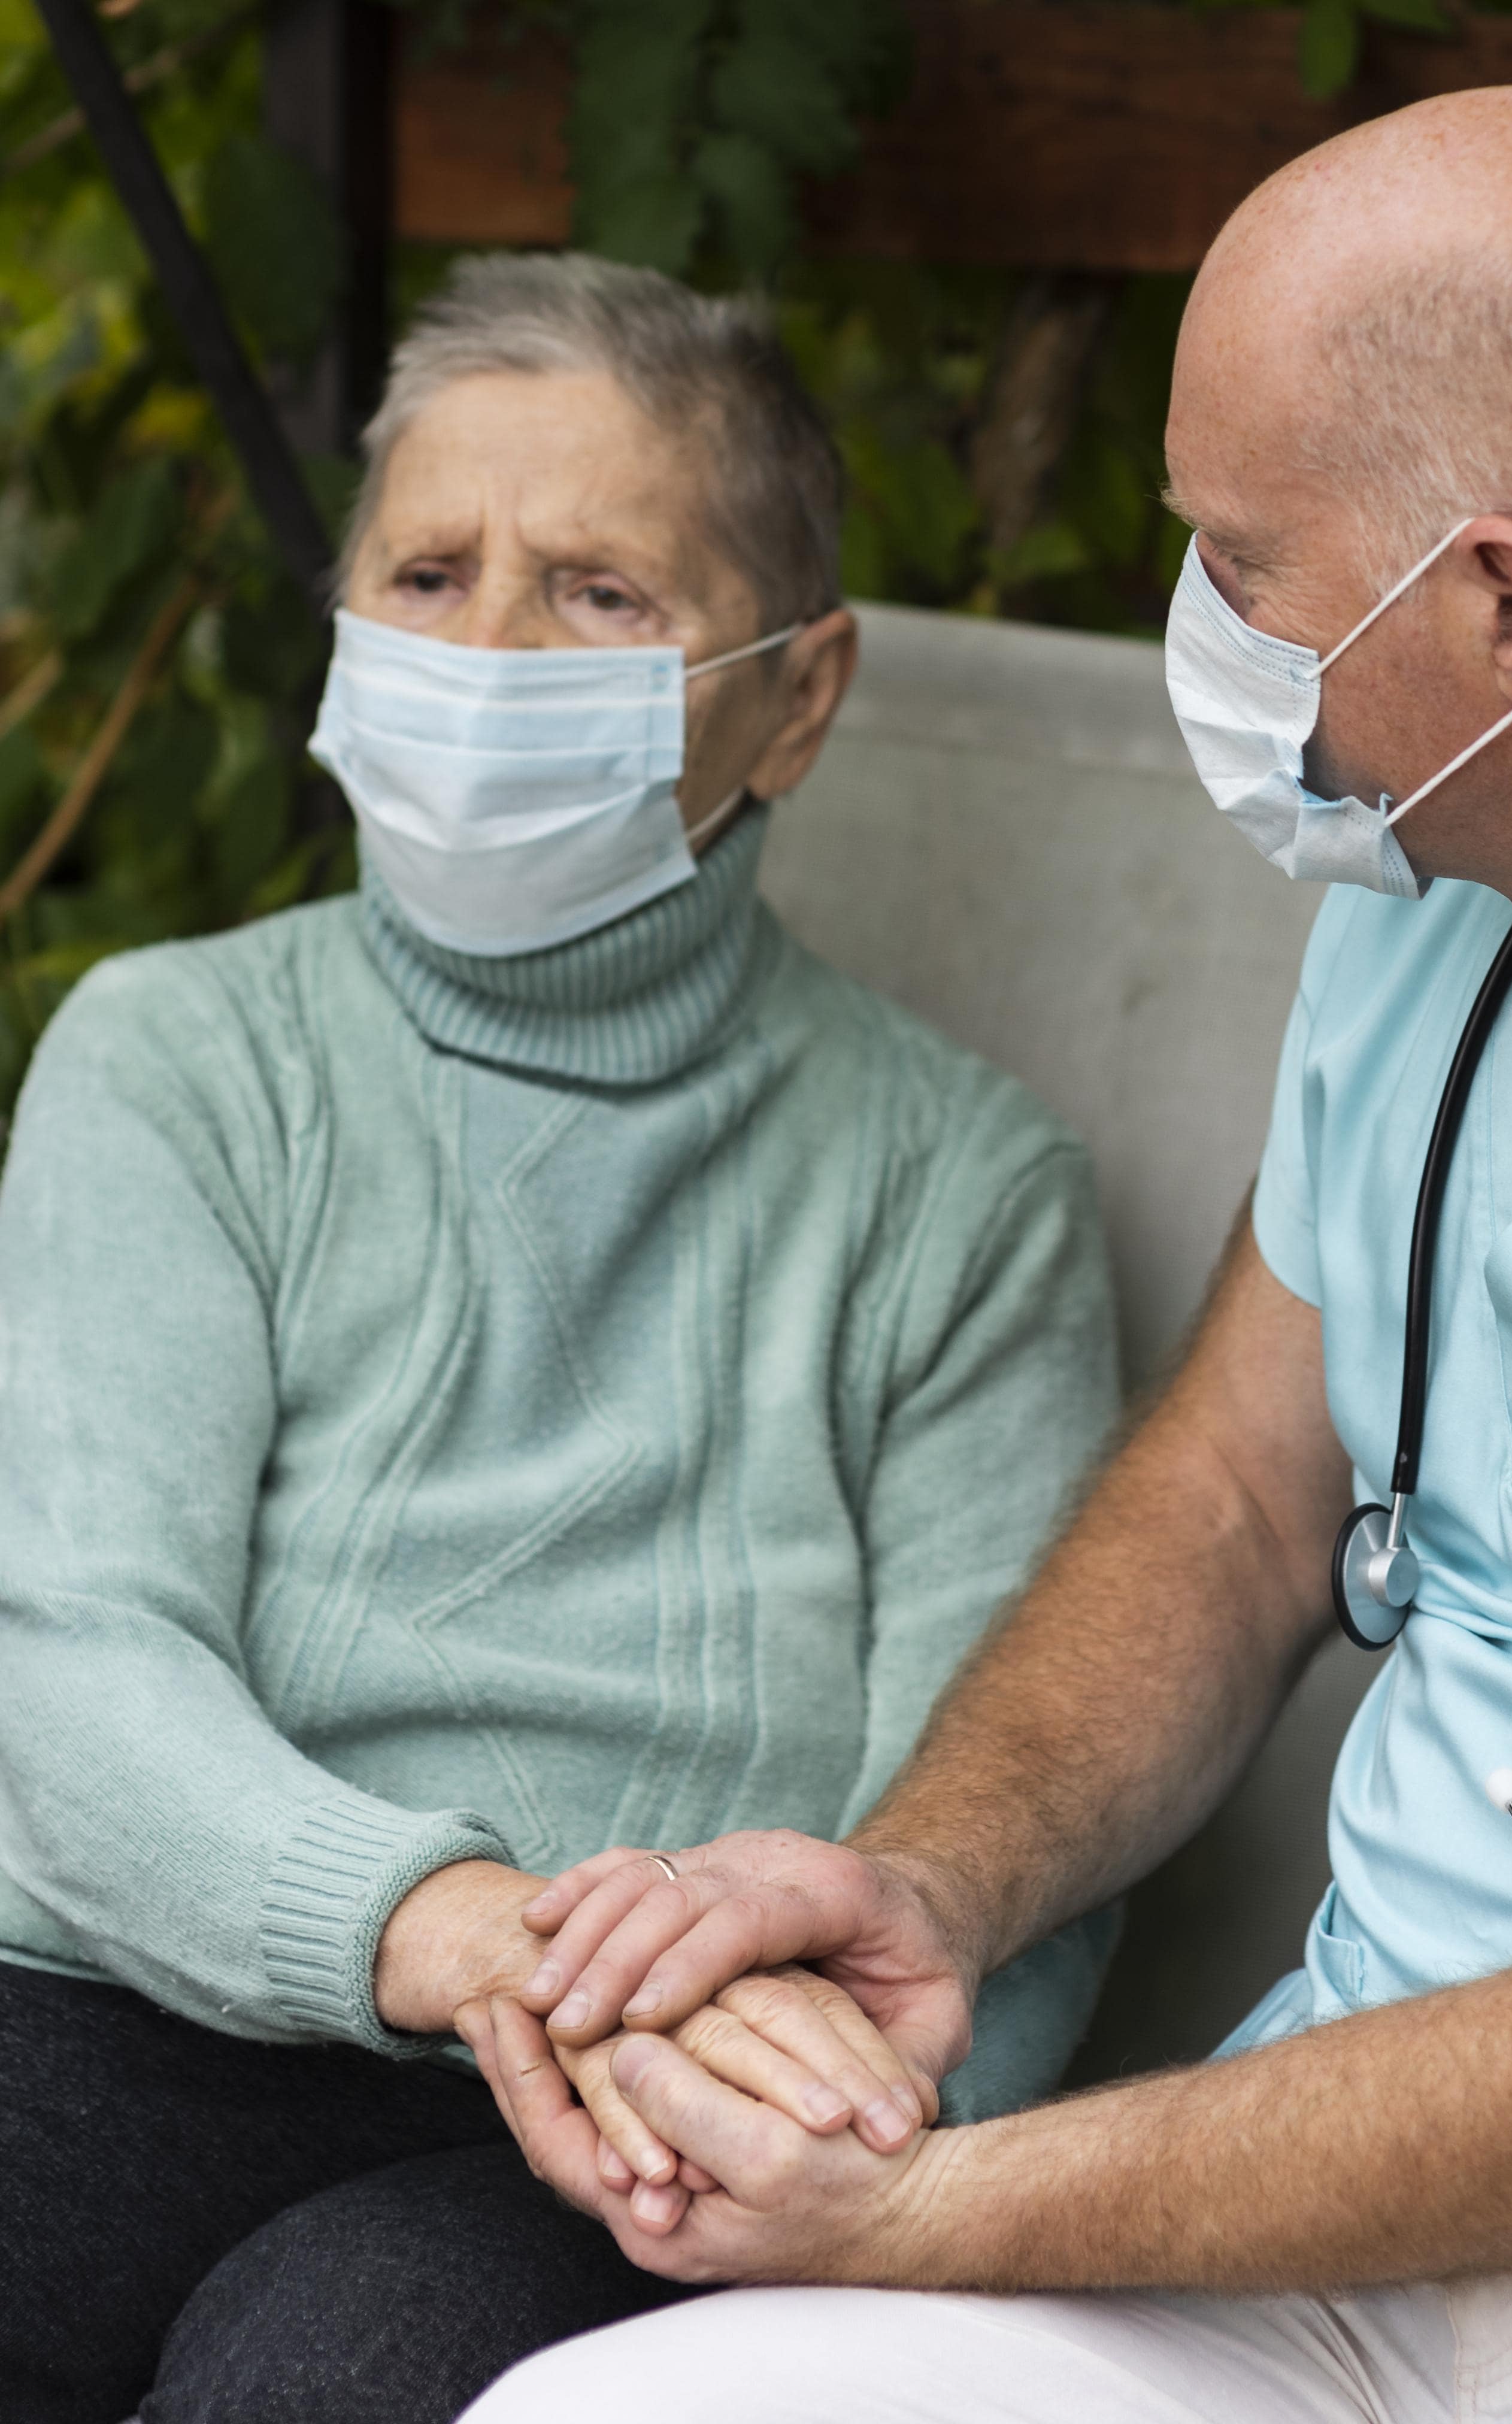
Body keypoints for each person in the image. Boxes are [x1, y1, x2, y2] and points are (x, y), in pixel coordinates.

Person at [462, 86, 1512, 2424]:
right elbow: (1241, 1501)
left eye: (1242, 554)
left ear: (1499, 608)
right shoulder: (1432, 895)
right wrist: (934, 1889)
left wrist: (935, 2211)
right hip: (1319, 2238)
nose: (1208, 623)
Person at [0, 254, 1119, 2424]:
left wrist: (785, 2095)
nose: (485, 650)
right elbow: (64, 1668)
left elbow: (1014, 1858)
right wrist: (468, 1935)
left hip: (655, 2128)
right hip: (152, 2007)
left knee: (329, 2385)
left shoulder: (963, 1197)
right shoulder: (180, 1058)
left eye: (599, 592)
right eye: (428, 571)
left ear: (800, 696)